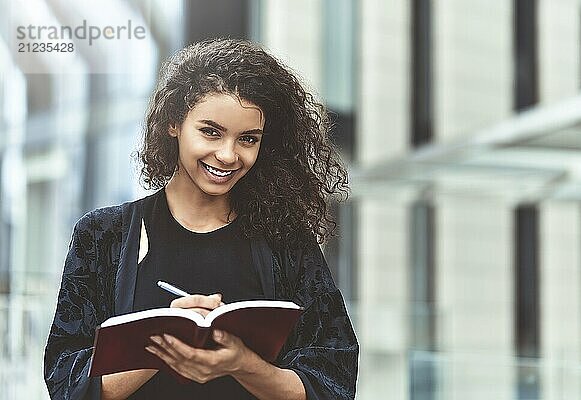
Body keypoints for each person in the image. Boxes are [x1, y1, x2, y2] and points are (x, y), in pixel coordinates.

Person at [43, 38, 359, 400]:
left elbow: (334, 382)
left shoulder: (285, 242)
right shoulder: (102, 235)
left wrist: (242, 364)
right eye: (210, 131)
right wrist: (166, 339)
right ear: (174, 124)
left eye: (248, 139)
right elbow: (66, 384)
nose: (227, 155)